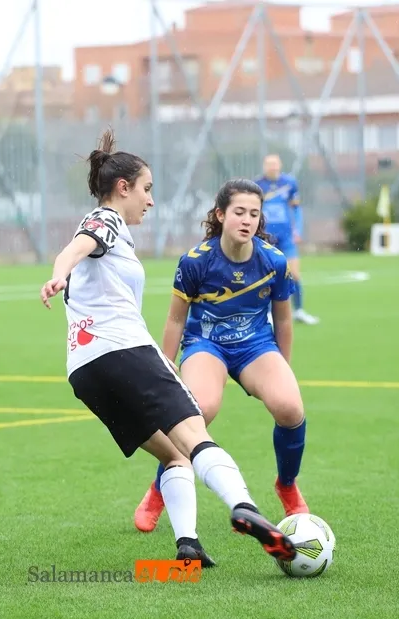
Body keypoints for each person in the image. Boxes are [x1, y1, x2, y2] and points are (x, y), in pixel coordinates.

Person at [40, 129, 296, 567]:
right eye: (146, 189)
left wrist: (65, 273)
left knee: (172, 454)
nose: (150, 200)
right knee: (194, 431)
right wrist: (59, 271)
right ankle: (245, 507)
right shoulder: (108, 220)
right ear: (123, 188)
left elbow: (82, 250)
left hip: (83, 371)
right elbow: (79, 244)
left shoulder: (114, 231)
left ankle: (188, 550)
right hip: (124, 351)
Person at [133, 179, 311, 534]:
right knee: (199, 411)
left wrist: (283, 368)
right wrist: (168, 365)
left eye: (254, 214)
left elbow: (284, 318)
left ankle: (287, 485)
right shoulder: (196, 262)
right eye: (239, 212)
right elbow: (175, 318)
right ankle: (160, 486)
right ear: (221, 215)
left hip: (256, 345)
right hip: (205, 343)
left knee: (290, 408)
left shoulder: (274, 261)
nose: (247, 220)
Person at [255, 154, 320, 325]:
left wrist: (297, 230)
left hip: (286, 237)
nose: (273, 167)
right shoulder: (257, 186)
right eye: (269, 164)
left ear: (280, 165)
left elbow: (297, 209)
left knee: (295, 274)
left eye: (275, 164)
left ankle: (299, 310)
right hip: (266, 238)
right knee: (266, 276)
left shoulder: (289, 183)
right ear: (264, 166)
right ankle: (267, 314)